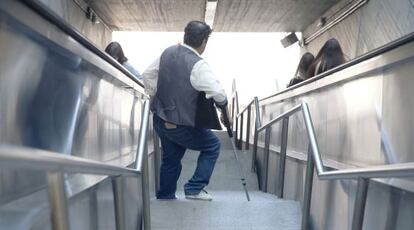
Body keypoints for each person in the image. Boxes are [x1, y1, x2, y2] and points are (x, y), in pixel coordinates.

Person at [143, 21, 229, 201]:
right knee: (212, 145)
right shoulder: (198, 65)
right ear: (204, 41)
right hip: (181, 124)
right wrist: (224, 107)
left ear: (185, 36)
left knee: (171, 159)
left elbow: (147, 74)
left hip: (160, 119)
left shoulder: (167, 52)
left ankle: (165, 196)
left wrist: (155, 95)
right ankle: (194, 188)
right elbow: (219, 93)